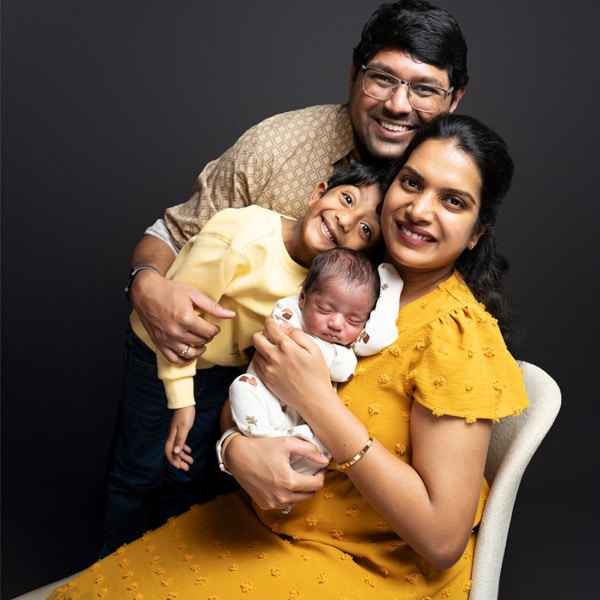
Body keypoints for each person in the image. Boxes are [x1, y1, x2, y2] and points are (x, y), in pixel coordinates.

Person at [51, 114, 529, 599]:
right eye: (411, 182)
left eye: (452, 201)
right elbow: (254, 384)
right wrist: (235, 451)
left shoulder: (456, 334)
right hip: (262, 524)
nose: (420, 210)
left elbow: (442, 539)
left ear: (475, 232)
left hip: (368, 565)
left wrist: (319, 403)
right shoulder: (347, 279)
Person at [102, 0, 469, 554]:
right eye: (383, 78)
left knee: (196, 502)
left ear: (453, 99)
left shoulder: (446, 192)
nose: (398, 104)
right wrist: (145, 284)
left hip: (336, 435)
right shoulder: (279, 146)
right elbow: (173, 233)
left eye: (424, 88)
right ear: (354, 74)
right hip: (211, 362)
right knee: (155, 475)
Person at [102, 161, 392, 556]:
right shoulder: (242, 237)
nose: (346, 221)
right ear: (316, 192)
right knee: (139, 470)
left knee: (184, 472)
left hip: (219, 370)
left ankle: (154, 561)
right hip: (161, 359)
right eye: (346, 199)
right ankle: (112, 562)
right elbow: (173, 327)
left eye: (364, 229)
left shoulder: (321, 284)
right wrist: (182, 401)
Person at [227, 248, 403, 476]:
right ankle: (268, 443)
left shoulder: (349, 342)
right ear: (303, 298)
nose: (337, 324)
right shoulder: (288, 314)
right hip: (265, 409)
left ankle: (290, 454)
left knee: (322, 444)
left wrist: (389, 287)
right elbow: (339, 367)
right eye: (325, 309)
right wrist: (340, 354)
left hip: (306, 428)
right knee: (240, 386)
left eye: (353, 319)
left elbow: (376, 339)